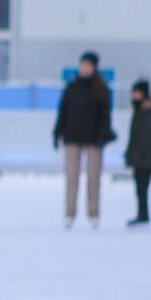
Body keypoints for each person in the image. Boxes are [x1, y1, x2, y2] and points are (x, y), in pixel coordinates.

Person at [54, 50, 116, 229]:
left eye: (88, 65)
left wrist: (103, 135)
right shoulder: (72, 88)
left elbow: (105, 116)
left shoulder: (100, 89)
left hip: (94, 139)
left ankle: (93, 213)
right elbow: (63, 111)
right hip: (72, 136)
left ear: (94, 67)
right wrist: (57, 131)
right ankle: (69, 213)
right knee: (72, 177)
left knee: (93, 178)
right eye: (82, 65)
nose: (84, 68)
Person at [123, 79, 151, 228]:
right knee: (140, 190)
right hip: (141, 158)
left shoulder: (146, 113)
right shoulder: (141, 111)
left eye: (137, 92)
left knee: (142, 190)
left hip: (144, 159)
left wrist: (140, 154)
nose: (134, 95)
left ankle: (143, 215)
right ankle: (142, 214)